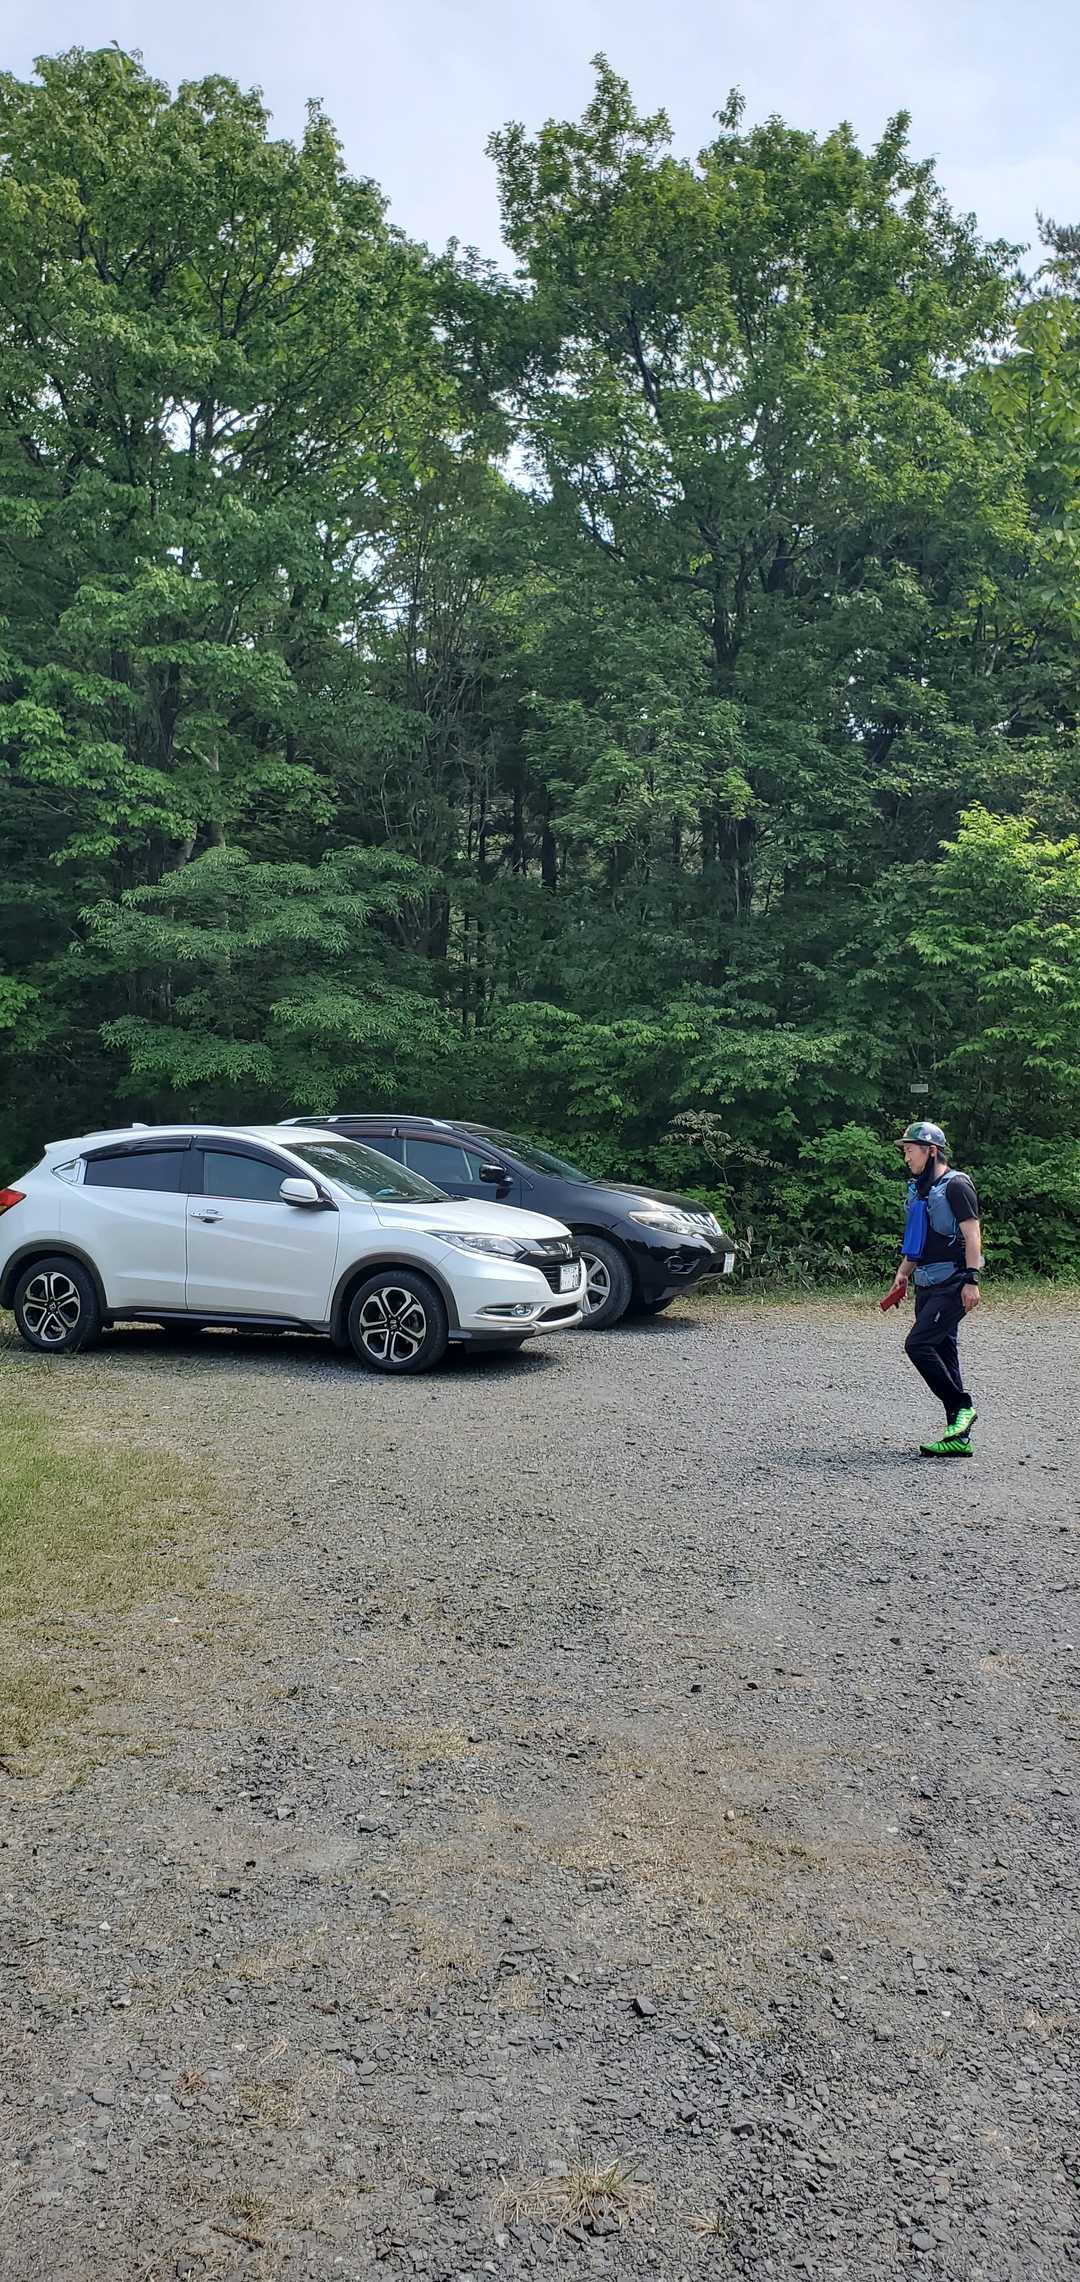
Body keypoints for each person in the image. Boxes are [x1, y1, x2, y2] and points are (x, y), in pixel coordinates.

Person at [880, 1121, 983, 1457]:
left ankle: (961, 1405)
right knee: (944, 1353)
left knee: (918, 1344)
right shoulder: (921, 1189)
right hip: (926, 1284)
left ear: (932, 1151)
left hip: (952, 1283)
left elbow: (972, 1235)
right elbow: (919, 1240)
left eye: (911, 1150)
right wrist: (903, 1274)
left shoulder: (956, 1186)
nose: (906, 1157)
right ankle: (958, 1438)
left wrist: (971, 1280)